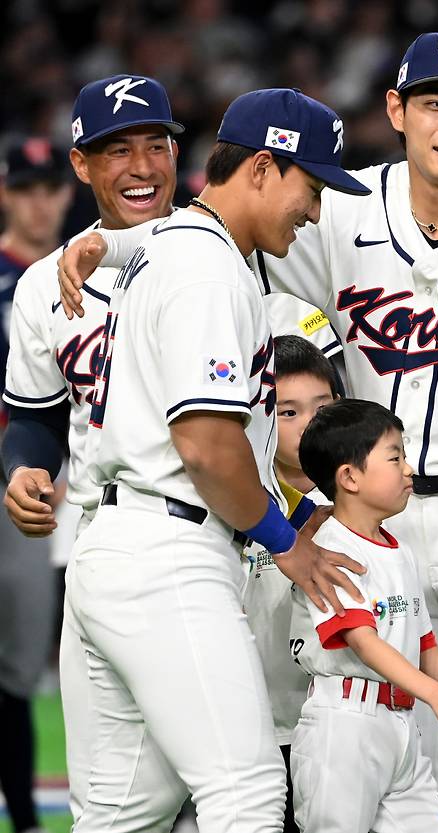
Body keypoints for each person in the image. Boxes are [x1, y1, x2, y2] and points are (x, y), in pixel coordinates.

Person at [57, 33, 438, 829]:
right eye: (433, 102)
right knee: (402, 750)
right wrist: (110, 242)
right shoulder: (339, 208)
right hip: (377, 512)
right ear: (395, 109)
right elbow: (211, 232)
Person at [65, 87, 369, 833]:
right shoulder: (208, 269)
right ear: (263, 167)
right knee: (248, 792)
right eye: (313, 184)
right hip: (170, 551)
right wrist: (285, 541)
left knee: (126, 813)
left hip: (118, 545)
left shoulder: (177, 245)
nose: (317, 209)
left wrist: (99, 241)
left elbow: (146, 238)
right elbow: (205, 444)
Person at [1, 75, 183, 826]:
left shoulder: (223, 251)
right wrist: (23, 467)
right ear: (87, 166)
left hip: (214, 526)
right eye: (117, 150)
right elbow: (35, 414)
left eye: (155, 145)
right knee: (108, 781)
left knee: (238, 769)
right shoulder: (47, 285)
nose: (141, 166)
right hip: (92, 518)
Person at [289, 398, 438, 833]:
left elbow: (424, 646)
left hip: (401, 729)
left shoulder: (398, 550)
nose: (409, 469)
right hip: (344, 727)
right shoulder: (331, 552)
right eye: (395, 456)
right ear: (349, 477)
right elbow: (364, 644)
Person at [0, 136, 72, 833]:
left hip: (63, 478)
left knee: (21, 668)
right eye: (25, 188)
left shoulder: (84, 270)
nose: (40, 202)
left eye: (49, 187)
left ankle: (24, 819)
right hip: (20, 470)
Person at [242, 334, 339, 833]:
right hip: (254, 730)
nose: (307, 428)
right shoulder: (239, 504)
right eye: (288, 413)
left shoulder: (367, 503)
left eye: (321, 409)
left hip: (337, 730)